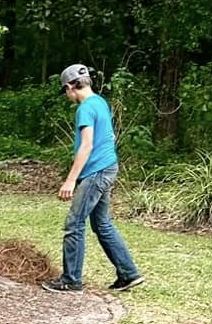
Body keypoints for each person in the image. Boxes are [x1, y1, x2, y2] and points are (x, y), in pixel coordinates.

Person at [42, 63, 143, 295]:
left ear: (70, 87)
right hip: (108, 167)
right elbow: (109, 136)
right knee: (102, 224)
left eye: (65, 91)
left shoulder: (85, 108)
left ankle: (71, 280)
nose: (67, 96)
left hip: (96, 172)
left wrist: (70, 180)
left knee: (74, 223)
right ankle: (128, 273)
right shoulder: (100, 102)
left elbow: (86, 146)